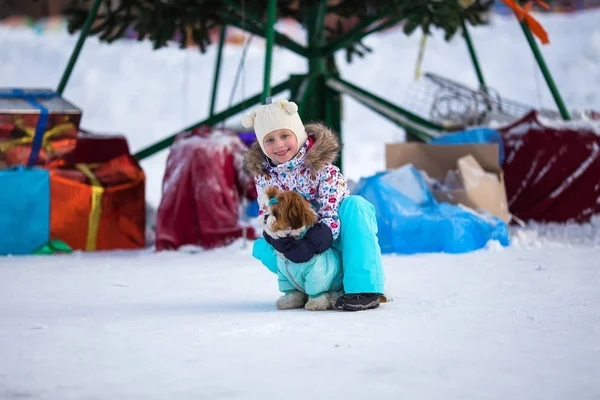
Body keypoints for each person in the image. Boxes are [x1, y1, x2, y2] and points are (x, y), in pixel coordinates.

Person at [242, 99, 385, 311]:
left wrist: (311, 244)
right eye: (269, 140)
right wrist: (284, 244)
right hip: (295, 245)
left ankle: (363, 288)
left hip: (331, 242)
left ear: (298, 134)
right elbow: (267, 213)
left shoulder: (323, 169)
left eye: (284, 136)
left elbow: (332, 214)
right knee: (263, 245)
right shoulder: (265, 176)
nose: (279, 145)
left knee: (356, 206)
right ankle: (304, 287)